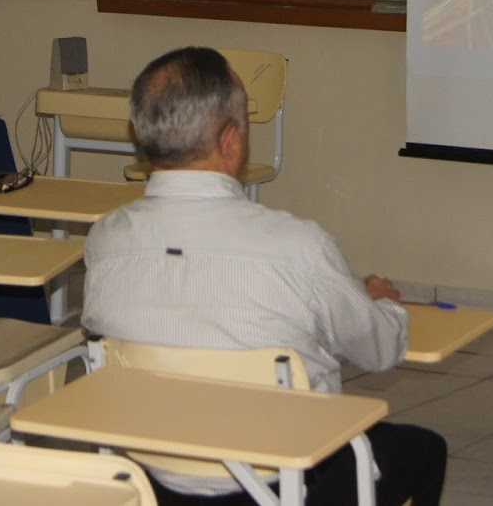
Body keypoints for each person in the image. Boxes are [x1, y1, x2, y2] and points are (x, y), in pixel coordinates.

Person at [82, 46, 447, 506]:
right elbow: (378, 351)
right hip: (284, 484)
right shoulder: (298, 247)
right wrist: (382, 304)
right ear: (230, 141)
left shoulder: (105, 241)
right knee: (425, 451)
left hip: (156, 481)